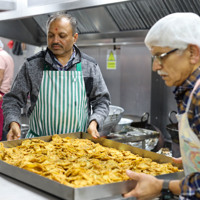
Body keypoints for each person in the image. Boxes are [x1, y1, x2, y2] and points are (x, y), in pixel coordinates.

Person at [124, 13, 200, 200]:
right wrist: (193, 160)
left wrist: (161, 185)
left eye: (161, 56)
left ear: (193, 53)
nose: (155, 67)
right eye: (153, 58)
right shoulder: (188, 92)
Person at [2, 13, 110, 140]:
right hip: (39, 147)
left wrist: (94, 122)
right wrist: (13, 122)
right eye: (51, 35)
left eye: (62, 36)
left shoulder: (89, 66)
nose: (55, 41)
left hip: (78, 146)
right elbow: (12, 100)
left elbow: (102, 101)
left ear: (75, 38)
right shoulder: (32, 65)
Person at [0, 40, 14, 141]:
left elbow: (0, 76)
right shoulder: (7, 55)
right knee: (4, 124)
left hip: (1, 93)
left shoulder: (0, 56)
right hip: (6, 92)